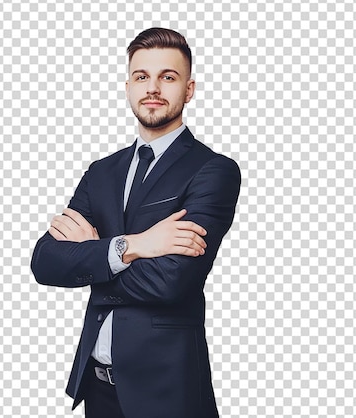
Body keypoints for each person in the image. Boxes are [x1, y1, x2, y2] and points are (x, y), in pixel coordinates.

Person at [31, 27, 241, 418]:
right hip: (97, 387)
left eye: (169, 77)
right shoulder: (101, 172)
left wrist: (93, 255)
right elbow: (45, 261)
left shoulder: (212, 170)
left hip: (167, 391)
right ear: (128, 86)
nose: (153, 87)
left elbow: (172, 282)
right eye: (142, 77)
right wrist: (136, 245)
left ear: (189, 89)